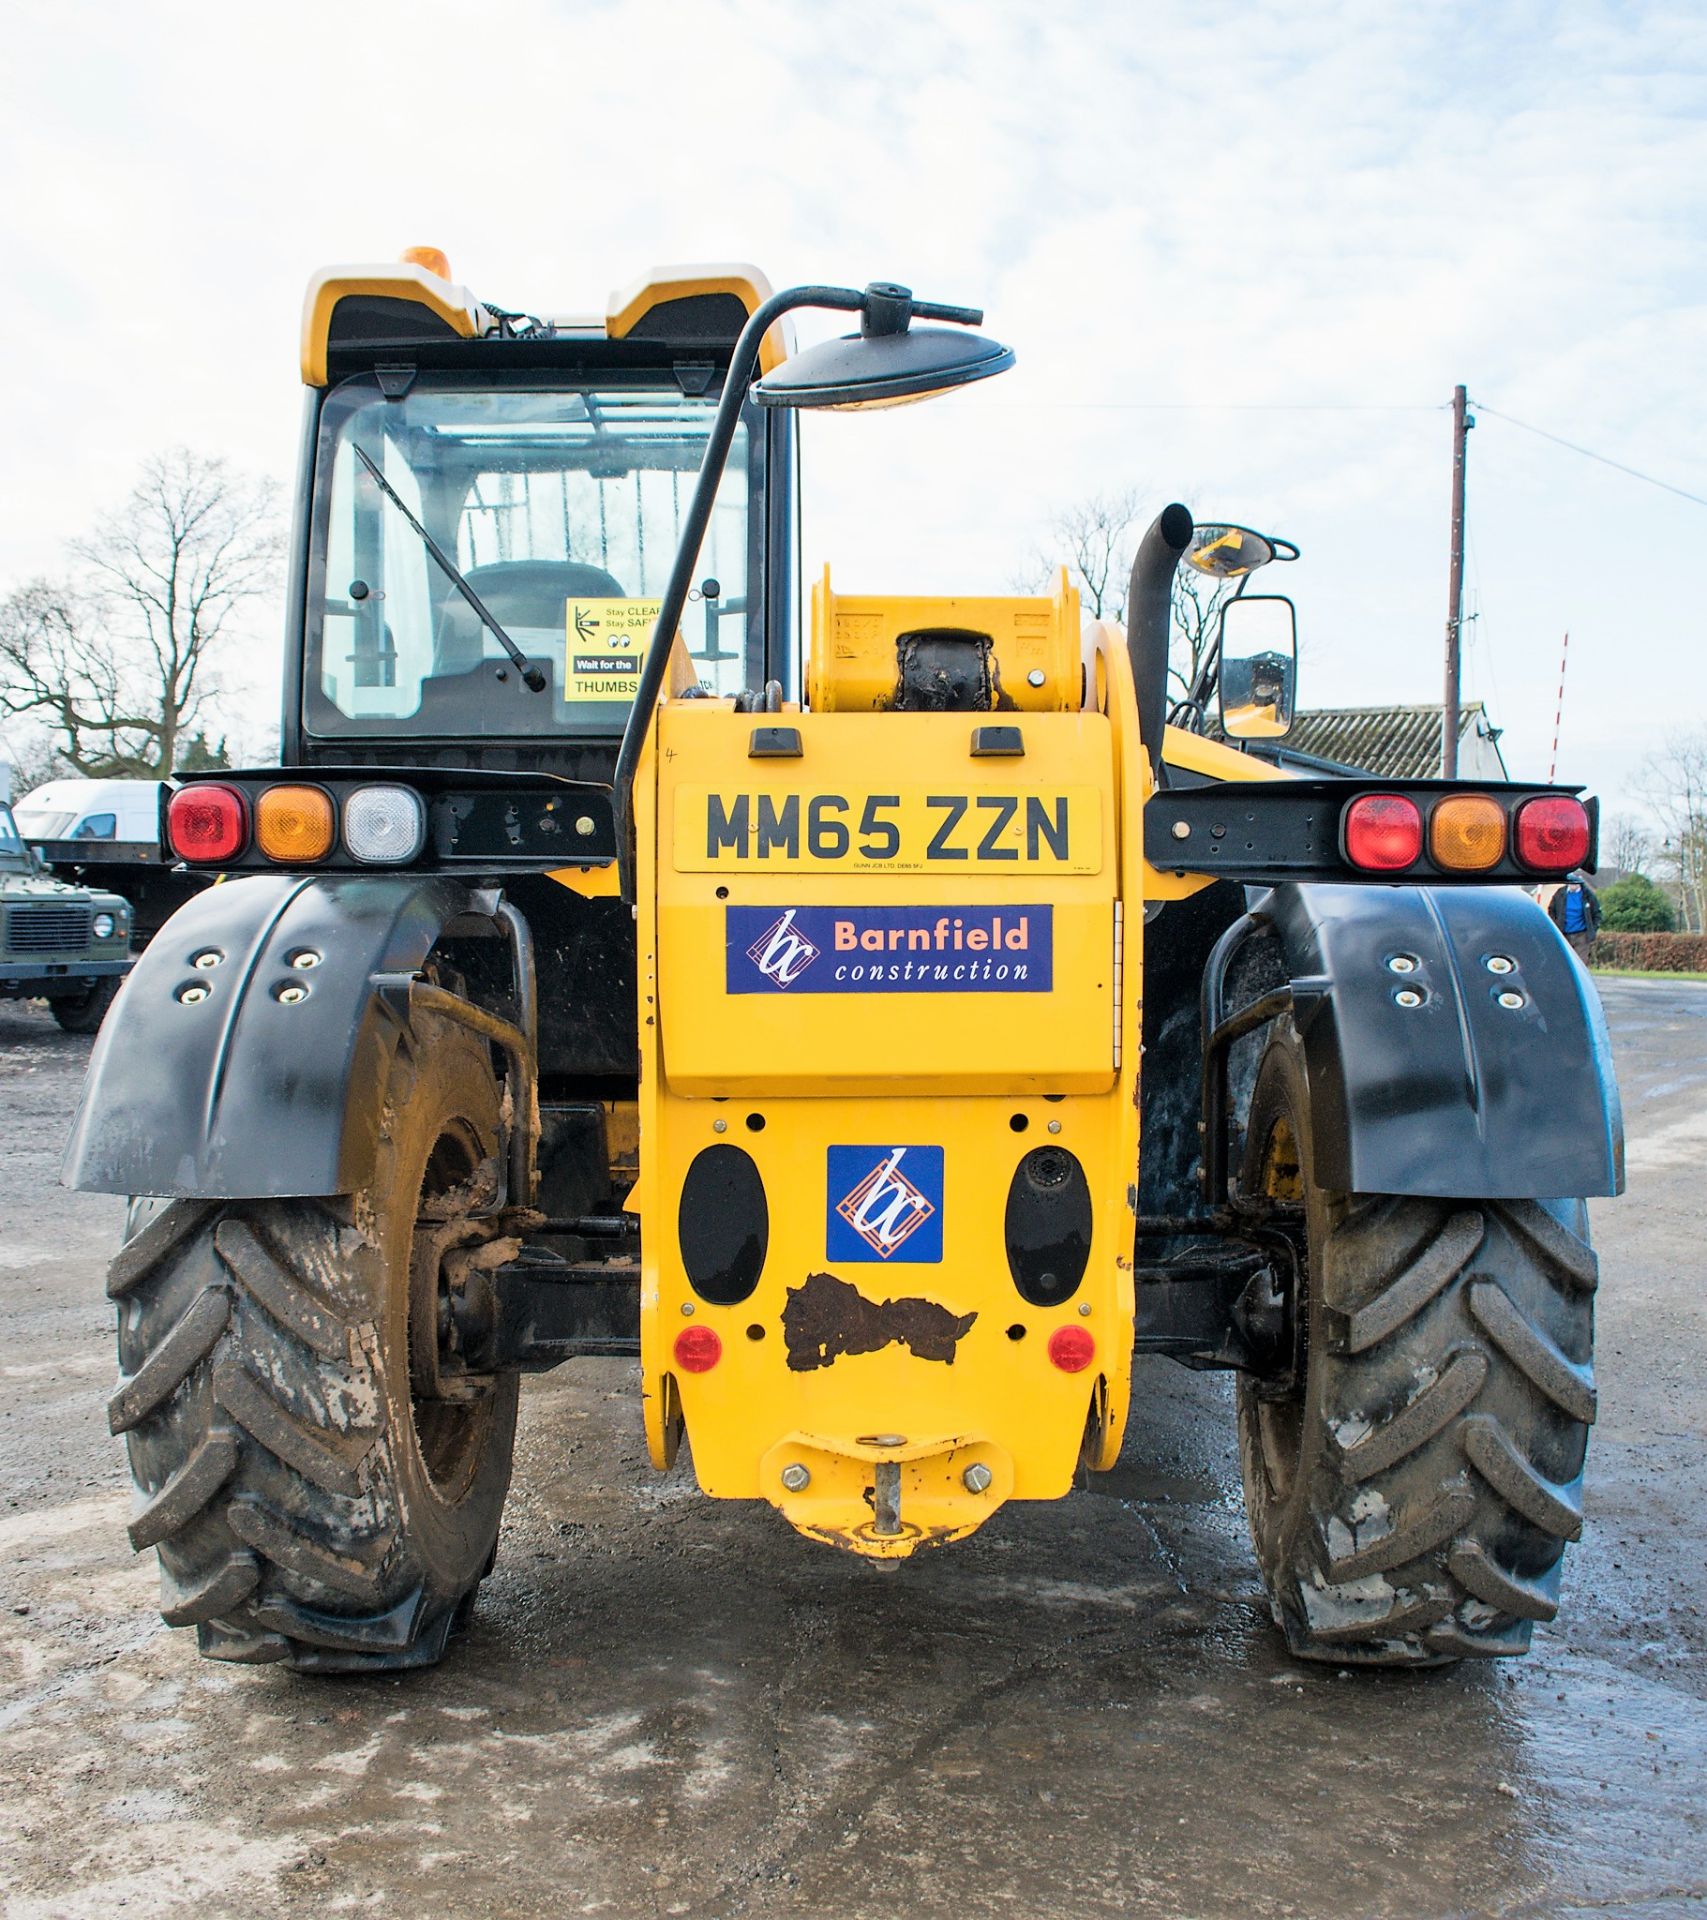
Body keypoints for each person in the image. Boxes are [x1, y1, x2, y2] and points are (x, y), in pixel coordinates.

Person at [1545, 873, 1601, 962]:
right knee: (1564, 961)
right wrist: (1555, 925)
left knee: (1581, 962)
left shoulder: (1588, 895)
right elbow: (1551, 910)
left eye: (1575, 882)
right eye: (1571, 882)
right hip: (1563, 934)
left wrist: (1592, 930)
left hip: (1582, 936)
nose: (1573, 884)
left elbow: (1597, 914)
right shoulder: (1560, 893)